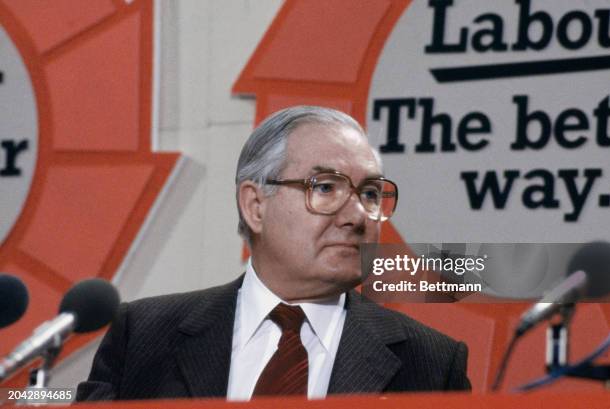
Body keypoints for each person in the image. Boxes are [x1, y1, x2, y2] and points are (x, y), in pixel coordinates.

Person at [76, 106, 471, 401]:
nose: (356, 216)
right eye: (327, 187)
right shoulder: (144, 334)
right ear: (255, 205)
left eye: (369, 194)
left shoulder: (433, 364)